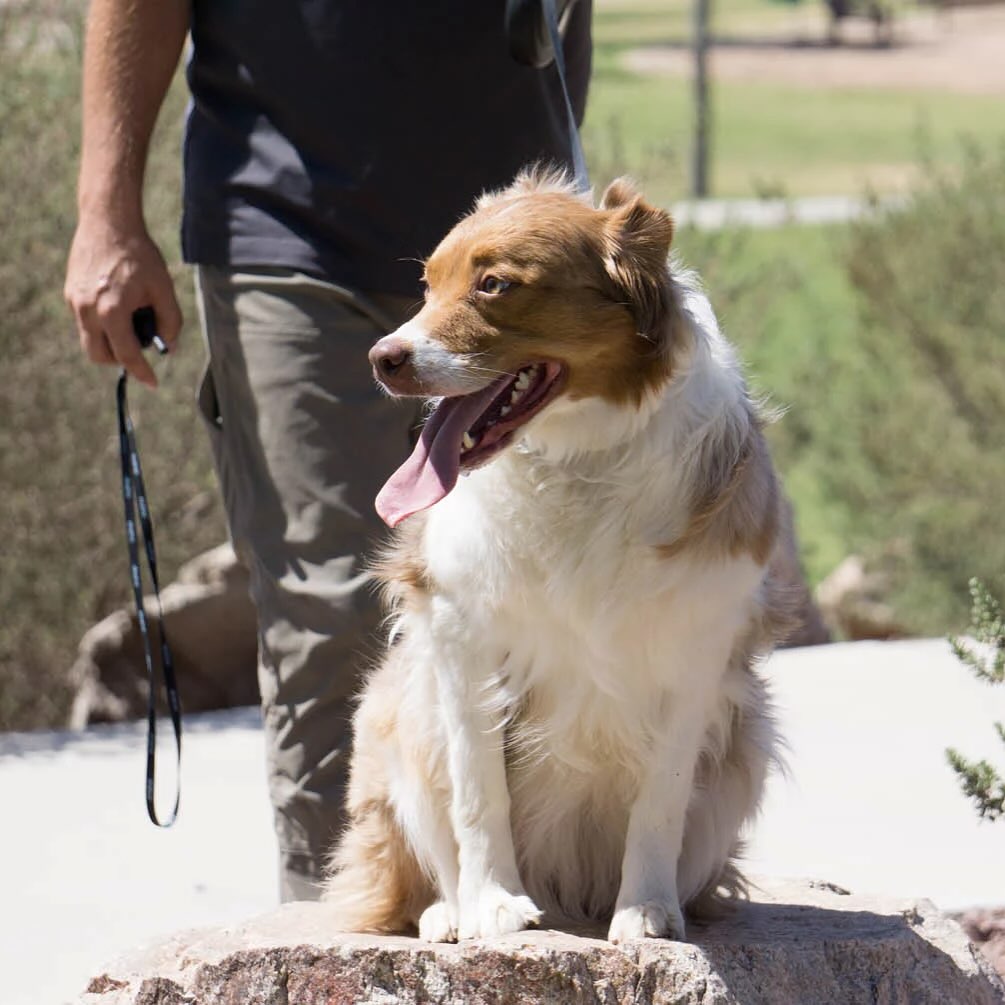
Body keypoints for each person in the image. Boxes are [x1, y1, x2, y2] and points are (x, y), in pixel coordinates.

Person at [64, 0, 592, 902]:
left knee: (549, 612)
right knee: (334, 610)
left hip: (518, 259)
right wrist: (105, 213)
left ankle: (530, 916)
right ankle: (335, 930)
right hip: (291, 231)